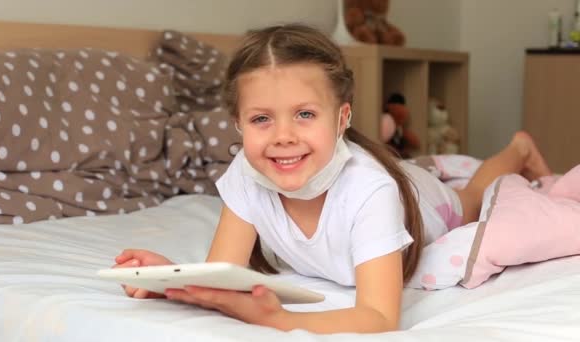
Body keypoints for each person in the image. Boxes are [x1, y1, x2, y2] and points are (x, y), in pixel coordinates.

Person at [113, 24, 552, 334]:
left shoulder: (370, 190)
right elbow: (224, 276)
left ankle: (518, 149)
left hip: (421, 199)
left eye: (305, 114)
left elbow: (379, 318)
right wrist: (168, 281)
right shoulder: (246, 176)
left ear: (342, 117)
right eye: (262, 119)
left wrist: (282, 321)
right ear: (238, 125)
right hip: (388, 176)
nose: (283, 137)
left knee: (471, 198)